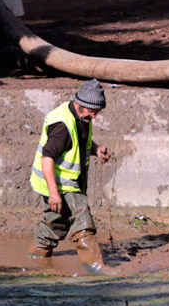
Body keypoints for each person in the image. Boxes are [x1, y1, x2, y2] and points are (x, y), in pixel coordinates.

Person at [27, 78, 112, 275]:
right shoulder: (62, 126)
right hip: (60, 183)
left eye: (97, 111)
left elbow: (79, 142)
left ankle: (35, 259)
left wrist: (97, 150)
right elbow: (47, 159)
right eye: (92, 111)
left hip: (65, 182)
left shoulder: (80, 116)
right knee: (82, 219)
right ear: (80, 103)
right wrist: (54, 193)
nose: (95, 115)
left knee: (55, 223)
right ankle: (96, 268)